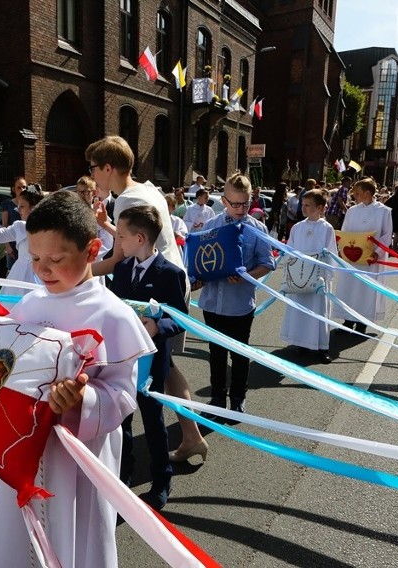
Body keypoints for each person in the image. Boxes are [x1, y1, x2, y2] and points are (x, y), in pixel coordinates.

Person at [0, 191, 155, 568]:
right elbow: (6, 364)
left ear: (93, 250)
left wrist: (83, 401)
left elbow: (123, 394)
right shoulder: (29, 304)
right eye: (34, 258)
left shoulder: (112, 314)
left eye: (56, 259)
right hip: (24, 447)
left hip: (78, 456)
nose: (43, 270)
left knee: (76, 539)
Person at [86, 135, 207, 462]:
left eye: (94, 168)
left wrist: (73, 273)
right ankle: (191, 435)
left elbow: (117, 259)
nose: (93, 175)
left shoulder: (126, 200)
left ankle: (180, 436)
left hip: (155, 289)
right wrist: (109, 226)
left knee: (159, 365)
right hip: (167, 280)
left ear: (108, 168)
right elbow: (138, 240)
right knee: (165, 366)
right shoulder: (147, 189)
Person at [111, 205, 189, 511]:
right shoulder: (120, 268)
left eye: (121, 235)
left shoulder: (171, 274)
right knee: (122, 419)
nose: (117, 241)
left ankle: (161, 478)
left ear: (140, 238)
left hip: (153, 361)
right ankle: (124, 473)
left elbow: (181, 318)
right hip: (122, 359)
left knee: (153, 420)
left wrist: (159, 325)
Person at [195, 173, 276, 416]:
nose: (241, 209)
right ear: (224, 200)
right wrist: (199, 275)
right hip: (212, 303)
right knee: (216, 353)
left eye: (245, 203)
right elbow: (199, 262)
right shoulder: (211, 226)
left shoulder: (257, 228)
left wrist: (246, 275)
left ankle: (238, 397)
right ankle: (218, 398)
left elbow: (268, 263)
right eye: (235, 204)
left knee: (240, 354)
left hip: (240, 304)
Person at [279, 189, 338, 363]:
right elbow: (290, 249)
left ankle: (321, 347)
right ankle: (302, 343)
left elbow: (331, 252)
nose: (303, 208)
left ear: (320, 207)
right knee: (300, 309)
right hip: (299, 275)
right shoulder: (298, 227)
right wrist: (290, 270)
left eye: (308, 205)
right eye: (302, 205)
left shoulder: (327, 228)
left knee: (318, 311)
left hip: (318, 276)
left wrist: (327, 274)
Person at [331, 177, 393, 333]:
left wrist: (377, 253)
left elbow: (387, 234)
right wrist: (342, 248)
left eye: (357, 193)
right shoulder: (352, 211)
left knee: (366, 288)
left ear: (367, 193)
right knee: (349, 286)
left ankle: (362, 321)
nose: (354, 196)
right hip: (352, 257)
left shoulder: (384, 211)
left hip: (370, 258)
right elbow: (344, 231)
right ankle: (347, 319)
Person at [1, 176, 27, 270]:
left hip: (26, 244)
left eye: (24, 187)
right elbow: (4, 225)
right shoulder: (7, 204)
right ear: (13, 189)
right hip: (12, 244)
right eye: (19, 187)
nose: (22, 189)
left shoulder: (29, 203)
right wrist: (7, 246)